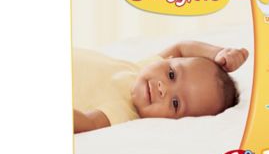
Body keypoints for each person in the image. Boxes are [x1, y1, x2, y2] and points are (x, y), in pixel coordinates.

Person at [73, 41, 249, 133]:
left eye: (175, 103)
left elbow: (88, 123)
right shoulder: (143, 68)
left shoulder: (124, 112)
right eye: (171, 75)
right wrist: (218, 53)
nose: (163, 89)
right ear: (169, 60)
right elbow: (181, 48)